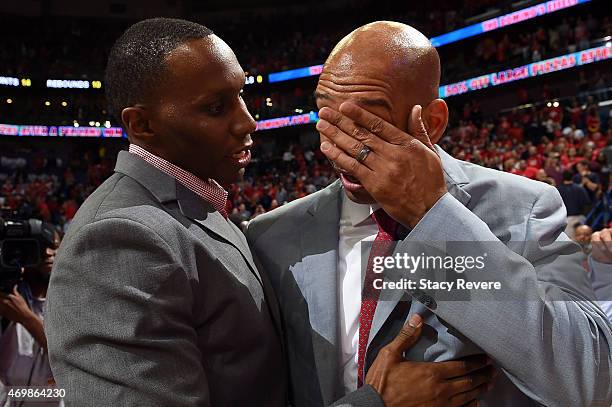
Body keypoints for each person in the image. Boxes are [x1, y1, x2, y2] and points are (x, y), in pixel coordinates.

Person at [246, 21, 612, 407]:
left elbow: (591, 378)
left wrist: (433, 214)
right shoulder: (271, 236)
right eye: (328, 118)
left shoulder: (524, 207)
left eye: (367, 122)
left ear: (432, 123)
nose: (337, 146)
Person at [44, 18, 286, 406]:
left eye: (241, 95)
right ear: (142, 124)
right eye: (215, 107)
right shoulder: (119, 238)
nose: (247, 121)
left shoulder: (200, 202)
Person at [0, 226, 61, 407]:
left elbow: (70, 357)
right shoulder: (8, 294)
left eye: (54, 246)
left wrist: (26, 318)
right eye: (41, 246)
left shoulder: (73, 299)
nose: (49, 253)